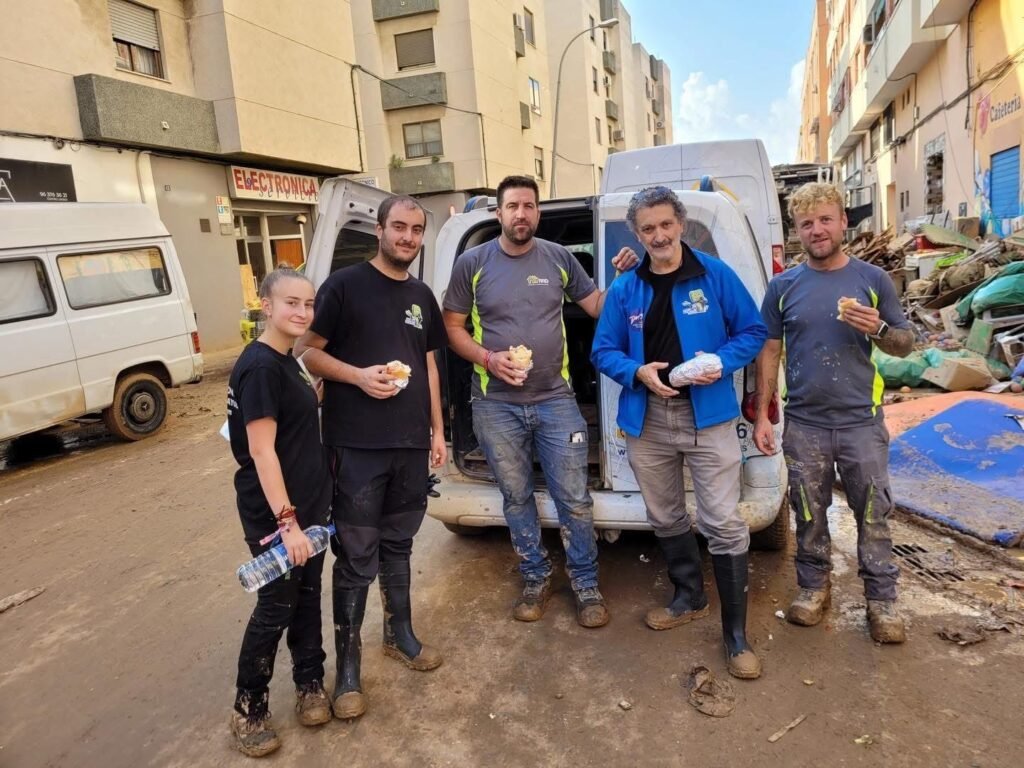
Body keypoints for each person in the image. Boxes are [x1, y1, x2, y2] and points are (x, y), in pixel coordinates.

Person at [442, 175, 635, 628]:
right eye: (512, 207)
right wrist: (489, 359)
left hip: (555, 401)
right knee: (516, 497)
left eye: (528, 206)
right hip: (494, 405)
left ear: (537, 212)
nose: (521, 214)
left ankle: (586, 584)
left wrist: (624, 277)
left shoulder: (559, 258)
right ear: (499, 213)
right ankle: (535, 576)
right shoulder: (472, 263)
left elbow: (597, 307)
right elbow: (451, 328)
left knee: (575, 499)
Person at [591, 186, 767, 679]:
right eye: (648, 229)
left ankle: (735, 635)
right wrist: (636, 372)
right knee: (664, 514)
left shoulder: (714, 275)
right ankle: (688, 596)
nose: (659, 235)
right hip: (648, 419)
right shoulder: (626, 288)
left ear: (681, 224)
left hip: (707, 416)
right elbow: (602, 351)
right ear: (637, 233)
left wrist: (722, 361)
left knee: (723, 521)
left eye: (666, 225)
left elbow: (752, 331)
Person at [296, 195, 447, 720]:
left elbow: (426, 366)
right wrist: (359, 376)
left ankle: (400, 635)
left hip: (409, 444)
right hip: (355, 444)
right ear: (380, 229)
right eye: (398, 227)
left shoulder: (422, 295)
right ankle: (350, 669)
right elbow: (308, 350)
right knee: (357, 554)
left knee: (399, 544)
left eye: (415, 230)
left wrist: (437, 431)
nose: (407, 237)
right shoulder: (344, 285)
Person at [753, 181, 915, 644]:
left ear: (844, 222)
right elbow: (769, 349)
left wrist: (879, 327)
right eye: (807, 223)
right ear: (797, 232)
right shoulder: (783, 287)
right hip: (805, 422)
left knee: (874, 513)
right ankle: (812, 588)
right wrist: (765, 414)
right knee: (808, 511)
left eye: (826, 219)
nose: (817, 230)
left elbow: (905, 344)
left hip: (862, 422)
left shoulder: (872, 280)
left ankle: (881, 601)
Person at [226, 267, 333, 757]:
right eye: (291, 303)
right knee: (277, 607)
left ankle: (310, 683)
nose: (302, 312)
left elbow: (282, 424)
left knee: (307, 595)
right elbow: (262, 452)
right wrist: (287, 524)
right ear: (266, 306)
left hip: (307, 506)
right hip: (278, 515)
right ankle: (249, 707)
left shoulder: (285, 361)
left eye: (308, 304)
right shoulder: (262, 366)